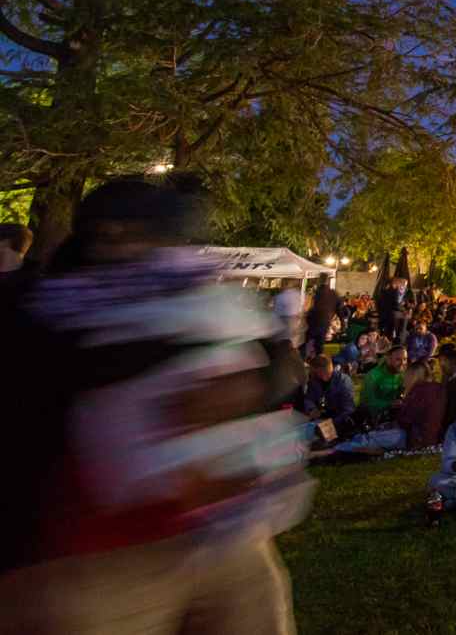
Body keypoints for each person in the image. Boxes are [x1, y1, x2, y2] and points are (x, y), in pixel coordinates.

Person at [3, 179, 310, 632]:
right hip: (98, 554)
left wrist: (249, 386)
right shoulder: (49, 311)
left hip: (224, 532)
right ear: (107, 234)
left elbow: (283, 368)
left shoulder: (199, 293)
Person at [298, 353, 356, 442]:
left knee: (317, 442)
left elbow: (348, 411)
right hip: (321, 419)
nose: (312, 374)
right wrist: (311, 409)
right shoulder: (315, 381)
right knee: (302, 437)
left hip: (339, 422)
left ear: (321, 371)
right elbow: (309, 398)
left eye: (315, 372)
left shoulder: (344, 382)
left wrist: (330, 423)